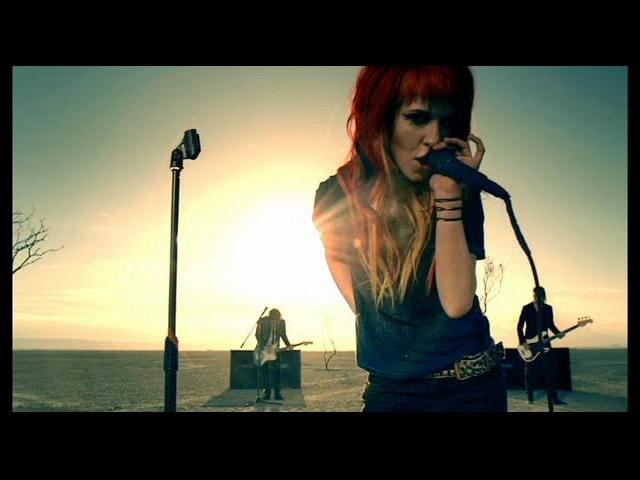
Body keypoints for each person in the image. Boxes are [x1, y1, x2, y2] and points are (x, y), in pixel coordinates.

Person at [312, 66, 507, 412]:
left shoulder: (456, 186)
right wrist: (387, 327)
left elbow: (457, 302)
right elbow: (344, 271)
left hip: (471, 386)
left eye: (446, 123)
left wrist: (449, 196)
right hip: (392, 390)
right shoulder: (336, 195)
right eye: (417, 118)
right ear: (381, 117)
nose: (434, 137)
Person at [517, 287, 566, 405]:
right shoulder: (527, 308)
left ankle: (554, 398)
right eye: (535, 295)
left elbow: (550, 324)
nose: (537, 298)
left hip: (545, 343)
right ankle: (530, 396)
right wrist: (523, 342)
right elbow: (519, 326)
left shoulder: (548, 308)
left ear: (543, 296)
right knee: (530, 372)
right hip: (529, 344)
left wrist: (557, 333)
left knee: (550, 370)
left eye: (539, 296)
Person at [255, 308, 292, 401]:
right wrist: (263, 346)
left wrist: (288, 345)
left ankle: (277, 394)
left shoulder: (282, 322)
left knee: (277, 371)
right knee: (265, 372)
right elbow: (257, 335)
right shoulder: (263, 321)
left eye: (277, 320)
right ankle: (267, 393)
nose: (276, 322)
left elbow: (283, 335)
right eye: (274, 320)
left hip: (276, 349)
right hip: (264, 349)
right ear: (270, 318)